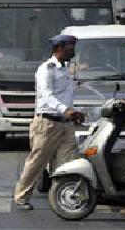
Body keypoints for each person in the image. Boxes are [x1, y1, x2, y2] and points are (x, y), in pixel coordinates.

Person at [14, 34, 85, 210]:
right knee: (37, 161)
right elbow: (46, 96)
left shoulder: (65, 69)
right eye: (70, 48)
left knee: (68, 162)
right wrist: (66, 110)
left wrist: (73, 113)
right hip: (47, 123)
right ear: (60, 49)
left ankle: (63, 197)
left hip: (66, 124)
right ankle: (21, 196)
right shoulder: (46, 69)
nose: (73, 52)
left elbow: (67, 96)